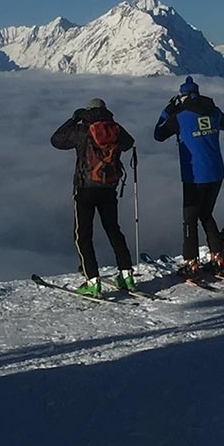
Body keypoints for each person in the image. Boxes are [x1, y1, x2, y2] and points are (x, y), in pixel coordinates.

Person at [51, 97, 136, 298]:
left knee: (83, 235)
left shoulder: (82, 131)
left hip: (85, 189)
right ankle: (126, 275)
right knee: (114, 231)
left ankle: (92, 280)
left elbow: (56, 140)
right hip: (109, 188)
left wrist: (73, 119)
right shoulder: (115, 129)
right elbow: (129, 142)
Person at [154, 76, 224, 279]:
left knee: (190, 219)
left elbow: (158, 134)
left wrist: (167, 111)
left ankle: (191, 263)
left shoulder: (180, 116)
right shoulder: (214, 111)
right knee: (206, 214)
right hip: (217, 173)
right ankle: (218, 258)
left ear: (183, 96)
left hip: (194, 175)